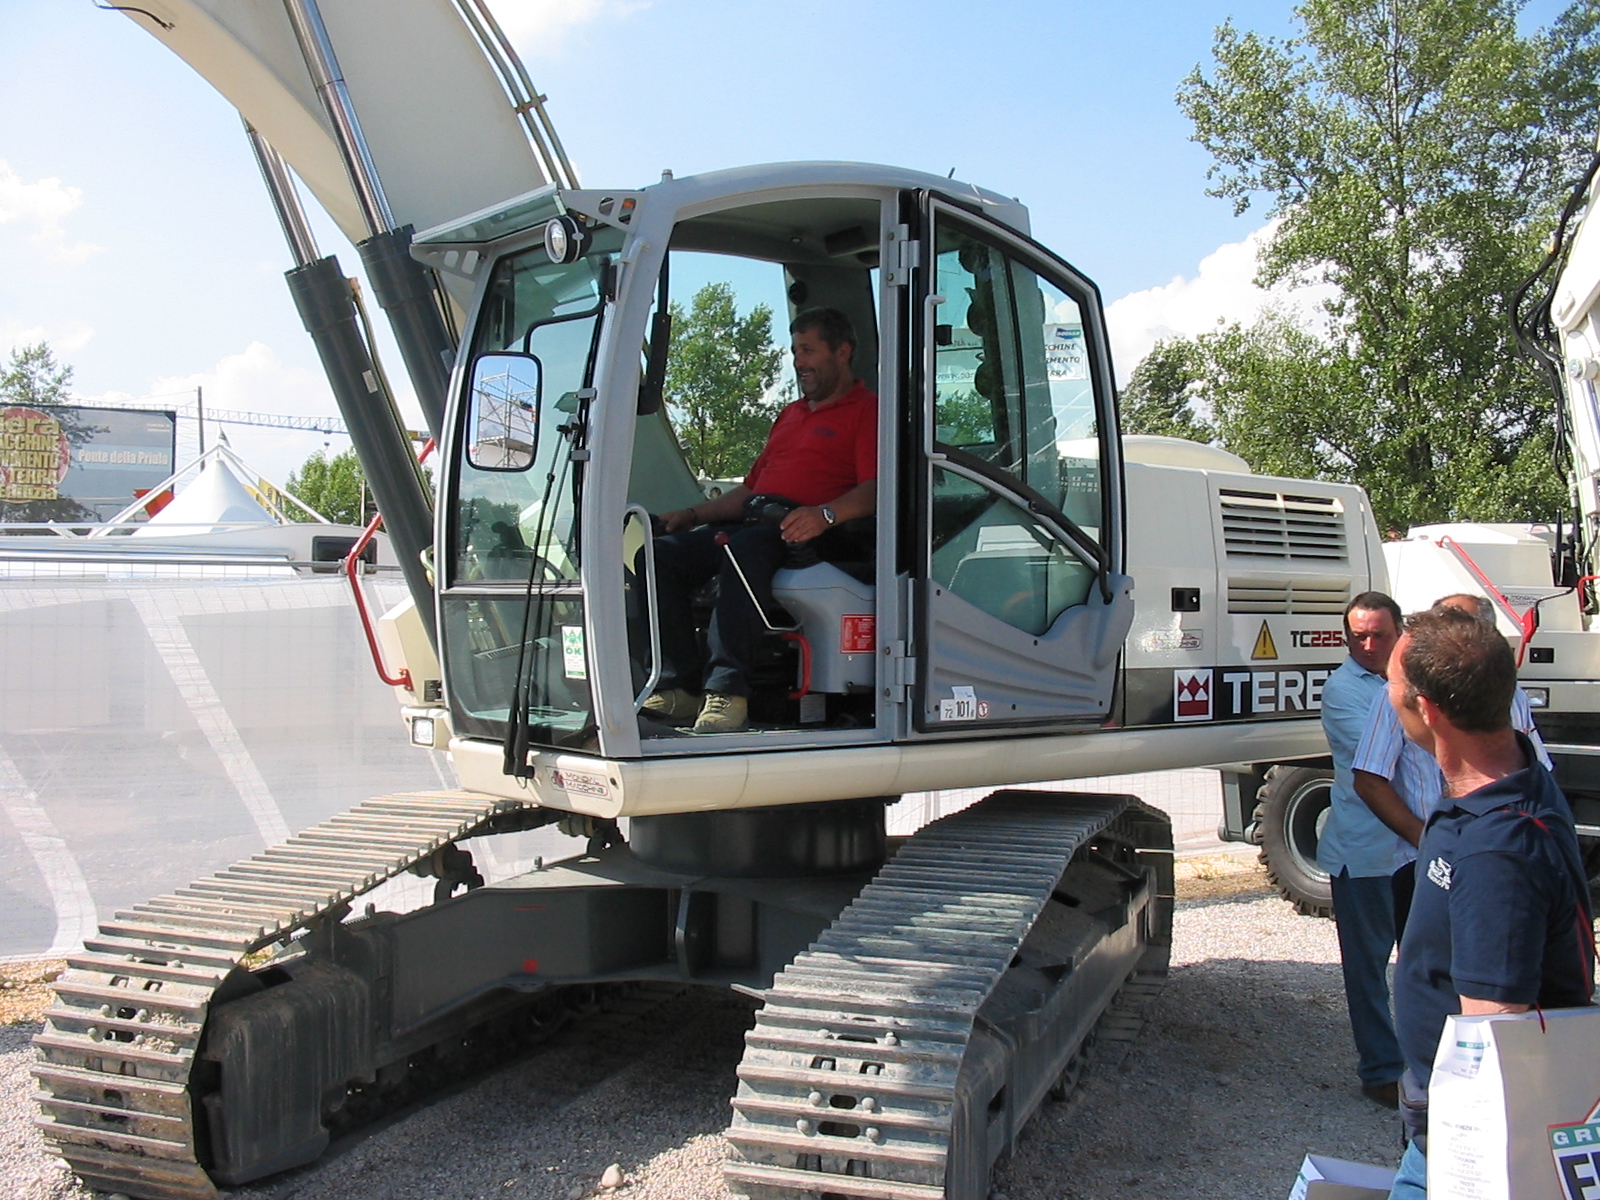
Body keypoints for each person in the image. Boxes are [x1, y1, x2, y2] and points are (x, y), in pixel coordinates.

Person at [1383, 605, 1594, 1200]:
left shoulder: (1498, 851)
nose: (1386, 697)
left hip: (1462, 1141)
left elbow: (1495, 1035)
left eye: (1390, 686)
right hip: (1435, 1118)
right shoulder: (1504, 780)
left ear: (1427, 709)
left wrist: (1461, 1163)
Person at [645, 307, 877, 734]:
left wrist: (824, 514)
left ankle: (727, 692)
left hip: (821, 532)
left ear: (842, 352)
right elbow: (749, 491)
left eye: (808, 350)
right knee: (659, 555)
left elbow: (876, 489)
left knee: (743, 549)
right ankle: (678, 685)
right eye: (795, 351)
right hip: (761, 522)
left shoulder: (867, 411)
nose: (799, 362)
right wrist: (692, 515)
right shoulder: (790, 414)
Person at [1352, 592, 1552, 937]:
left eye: (1460, 629)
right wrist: (1430, 843)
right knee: (1432, 964)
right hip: (1423, 865)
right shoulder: (1399, 696)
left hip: (1503, 854)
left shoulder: (1512, 696)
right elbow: (1369, 778)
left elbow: (1537, 771)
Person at [1318, 591, 1407, 1108]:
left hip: (1411, 850)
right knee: (1368, 971)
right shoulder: (1343, 689)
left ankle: (1430, 1064)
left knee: (1424, 964)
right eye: (1359, 636)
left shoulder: (1410, 679)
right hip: (1366, 850)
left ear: (1400, 633)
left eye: (1379, 635)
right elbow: (1388, 758)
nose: (1368, 645)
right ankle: (1381, 1072)